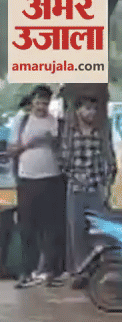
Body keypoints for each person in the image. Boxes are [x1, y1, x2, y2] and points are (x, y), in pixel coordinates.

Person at [8, 84, 67, 287]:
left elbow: (64, 149)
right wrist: (28, 144)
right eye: (39, 102)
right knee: (27, 227)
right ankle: (27, 271)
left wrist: (53, 143)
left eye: (45, 102)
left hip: (52, 178)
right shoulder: (22, 120)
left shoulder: (55, 122)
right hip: (28, 179)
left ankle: (50, 271)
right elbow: (11, 150)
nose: (42, 106)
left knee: (52, 227)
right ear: (32, 101)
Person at [59, 93, 116, 273]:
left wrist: (105, 183)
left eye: (94, 109)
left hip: (96, 188)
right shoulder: (70, 135)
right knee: (76, 231)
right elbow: (63, 162)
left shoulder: (100, 134)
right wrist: (75, 177)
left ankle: (98, 270)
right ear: (78, 111)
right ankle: (79, 270)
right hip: (76, 189)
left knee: (99, 230)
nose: (91, 113)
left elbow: (109, 161)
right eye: (87, 109)